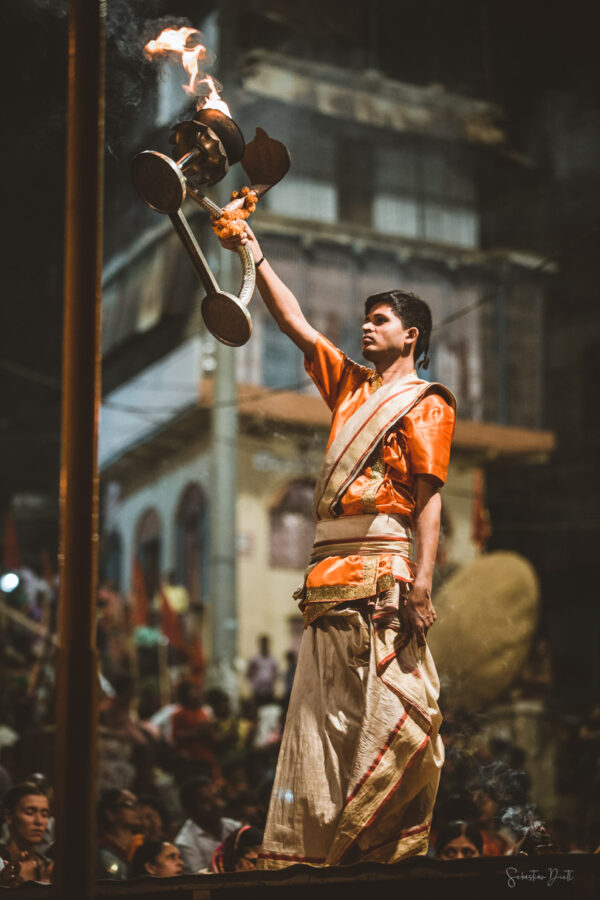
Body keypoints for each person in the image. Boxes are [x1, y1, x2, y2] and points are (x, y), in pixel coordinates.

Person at [219, 224, 455, 867]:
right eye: (365, 320)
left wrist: (423, 580)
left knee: (386, 714)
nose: (366, 328)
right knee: (323, 724)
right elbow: (294, 321)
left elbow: (429, 496)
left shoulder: (426, 402)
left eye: (379, 320)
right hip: (326, 577)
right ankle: (317, 852)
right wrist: (251, 251)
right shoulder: (351, 388)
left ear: (411, 335)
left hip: (382, 574)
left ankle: (377, 856)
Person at [174, 777, 240, 874]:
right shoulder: (185, 843)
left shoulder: (232, 826)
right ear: (189, 810)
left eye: (216, 797)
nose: (216, 804)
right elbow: (200, 881)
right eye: (205, 801)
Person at [0, 783, 53, 885]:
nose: (39, 821)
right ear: (9, 816)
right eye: (30, 812)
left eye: (44, 814)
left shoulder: (47, 867)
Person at [96, 788, 144, 880]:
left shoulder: (140, 845)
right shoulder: (101, 851)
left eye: (137, 805)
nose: (137, 810)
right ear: (110, 814)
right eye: (128, 804)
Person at [246, 635, 279, 705]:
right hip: (257, 691)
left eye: (266, 644)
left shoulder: (273, 660)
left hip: (269, 691)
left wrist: (270, 681)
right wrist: (255, 682)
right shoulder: (254, 659)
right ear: (260, 645)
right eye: (263, 644)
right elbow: (248, 674)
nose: (265, 646)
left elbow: (276, 674)